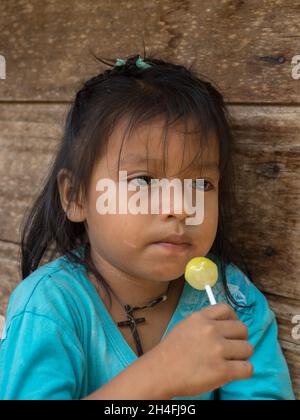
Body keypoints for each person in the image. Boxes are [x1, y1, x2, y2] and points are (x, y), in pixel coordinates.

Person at [0, 54, 295, 400]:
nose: (180, 208)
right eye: (143, 181)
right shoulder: (50, 308)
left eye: (200, 184)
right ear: (76, 196)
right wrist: (156, 377)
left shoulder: (231, 300)